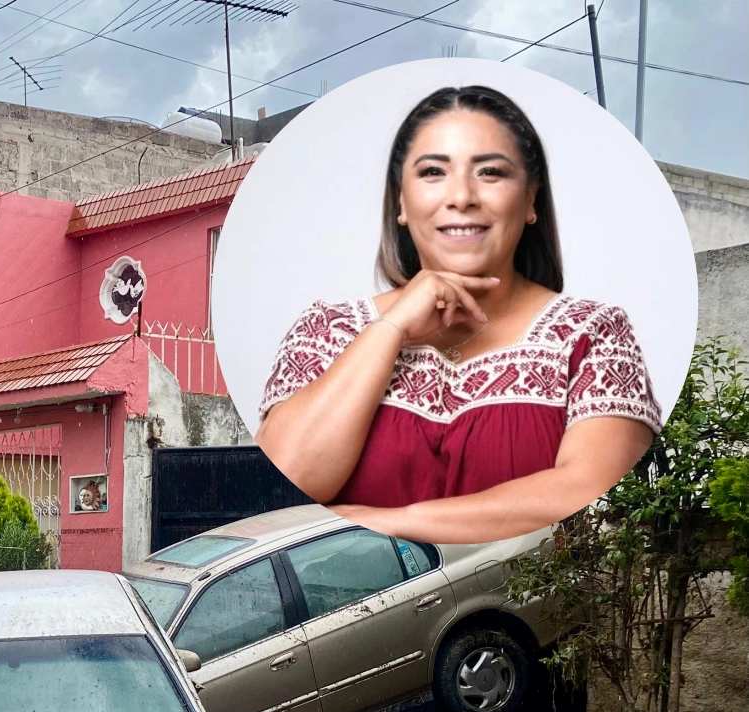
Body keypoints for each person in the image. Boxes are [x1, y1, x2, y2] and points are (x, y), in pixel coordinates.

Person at [256, 84, 658, 545]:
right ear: (402, 202)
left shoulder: (594, 334)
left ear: (530, 201)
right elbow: (289, 480)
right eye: (433, 172)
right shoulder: (326, 329)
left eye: (490, 172)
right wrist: (390, 329)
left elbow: (583, 490)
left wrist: (378, 524)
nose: (462, 196)